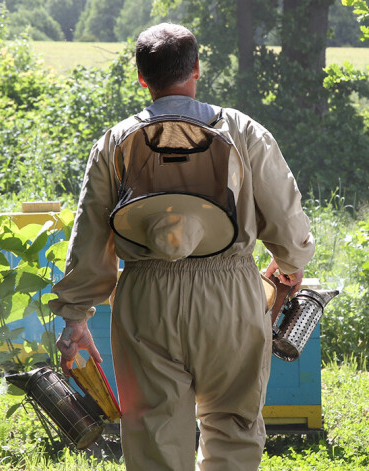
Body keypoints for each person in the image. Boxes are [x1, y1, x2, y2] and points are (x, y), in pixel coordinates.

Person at [48, 23, 315, 471]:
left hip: (145, 301)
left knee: (154, 436)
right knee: (233, 426)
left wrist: (76, 316)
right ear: (196, 69)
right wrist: (290, 263)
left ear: (141, 77)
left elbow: (90, 237)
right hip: (230, 295)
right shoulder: (244, 130)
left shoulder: (114, 141)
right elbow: (287, 219)